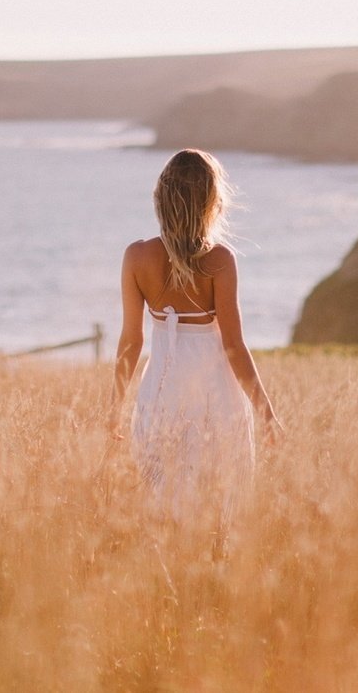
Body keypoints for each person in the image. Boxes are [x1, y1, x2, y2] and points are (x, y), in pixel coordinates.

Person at [108, 149, 281, 523]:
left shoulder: (136, 257)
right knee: (219, 501)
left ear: (160, 199)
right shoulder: (220, 260)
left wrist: (114, 407)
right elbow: (234, 346)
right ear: (212, 203)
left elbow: (131, 342)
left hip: (162, 390)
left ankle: (171, 570)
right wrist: (266, 413)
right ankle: (212, 571)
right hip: (215, 394)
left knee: (164, 498)